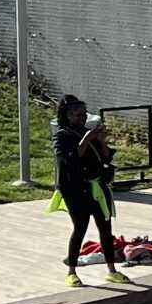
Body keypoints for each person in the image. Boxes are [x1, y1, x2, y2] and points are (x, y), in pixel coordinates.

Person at [54, 96, 128, 287]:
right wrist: (87, 138)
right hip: (76, 190)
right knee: (80, 228)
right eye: (79, 115)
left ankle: (112, 270)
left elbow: (105, 156)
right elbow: (71, 158)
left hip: (97, 187)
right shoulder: (62, 136)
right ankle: (71, 271)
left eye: (84, 114)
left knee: (106, 228)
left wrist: (101, 140)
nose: (83, 118)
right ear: (68, 115)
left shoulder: (88, 133)